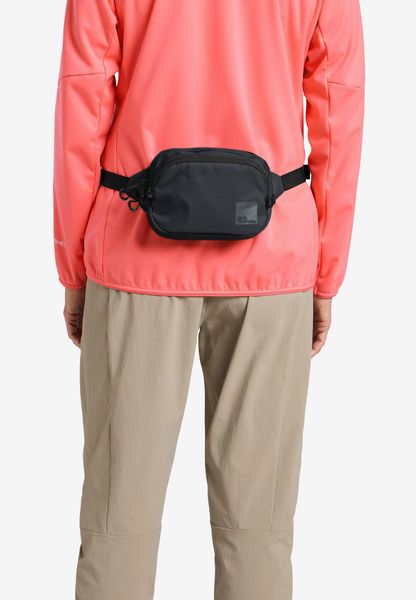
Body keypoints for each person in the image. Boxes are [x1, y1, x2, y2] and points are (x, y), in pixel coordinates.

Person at [54, 1, 365, 599]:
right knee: (258, 532)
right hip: (272, 261)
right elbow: (337, 103)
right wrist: (326, 273)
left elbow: (83, 96)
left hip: (135, 255)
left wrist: (74, 266)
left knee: (118, 522)